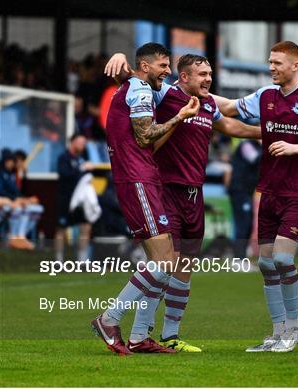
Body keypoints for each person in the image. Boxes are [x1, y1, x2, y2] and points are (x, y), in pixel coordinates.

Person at [104, 52, 260, 352]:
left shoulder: (208, 104)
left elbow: (231, 127)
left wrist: (267, 133)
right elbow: (134, 80)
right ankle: (137, 332)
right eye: (202, 74)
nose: (209, 79)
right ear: (184, 77)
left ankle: (170, 335)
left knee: (185, 266)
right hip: (167, 191)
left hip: (194, 193)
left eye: (210, 74)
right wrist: (122, 57)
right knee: (164, 264)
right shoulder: (164, 95)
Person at [214, 41, 298, 352]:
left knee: (283, 259)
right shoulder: (264, 96)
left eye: (277, 63)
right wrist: (192, 92)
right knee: (265, 263)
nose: (271, 67)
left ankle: (294, 329)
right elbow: (230, 108)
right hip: (270, 189)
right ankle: (276, 332)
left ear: (295, 65)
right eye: (270, 62)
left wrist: (296, 147)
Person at [90, 42, 200, 356]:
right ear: (146, 66)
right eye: (163, 66)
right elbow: (144, 136)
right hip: (138, 180)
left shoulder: (136, 86)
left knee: (163, 263)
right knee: (165, 261)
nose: (167, 71)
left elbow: (144, 136)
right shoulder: (139, 90)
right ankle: (109, 319)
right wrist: (179, 117)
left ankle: (139, 337)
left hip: (142, 178)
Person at [54, 134, 94, 262]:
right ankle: (58, 262)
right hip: (66, 199)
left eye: (84, 143)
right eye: (81, 142)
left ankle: (82, 261)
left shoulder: (81, 158)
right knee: (61, 229)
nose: (83, 146)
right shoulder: (64, 158)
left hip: (80, 201)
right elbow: (65, 174)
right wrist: (80, 169)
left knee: (85, 227)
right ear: (73, 142)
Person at [0, 150, 43, 249]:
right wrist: (16, 200)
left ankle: (20, 236)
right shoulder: (2, 173)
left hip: (11, 201)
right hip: (5, 203)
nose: (13, 163)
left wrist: (25, 199)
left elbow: (18, 191)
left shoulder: (12, 174)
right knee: (18, 209)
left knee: (37, 209)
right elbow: (2, 192)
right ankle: (13, 237)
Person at [228, 139, 263, 260]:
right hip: (240, 190)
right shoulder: (246, 145)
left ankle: (242, 258)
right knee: (243, 224)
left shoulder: (256, 147)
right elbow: (254, 158)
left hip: (247, 191)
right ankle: (238, 259)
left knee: (247, 224)